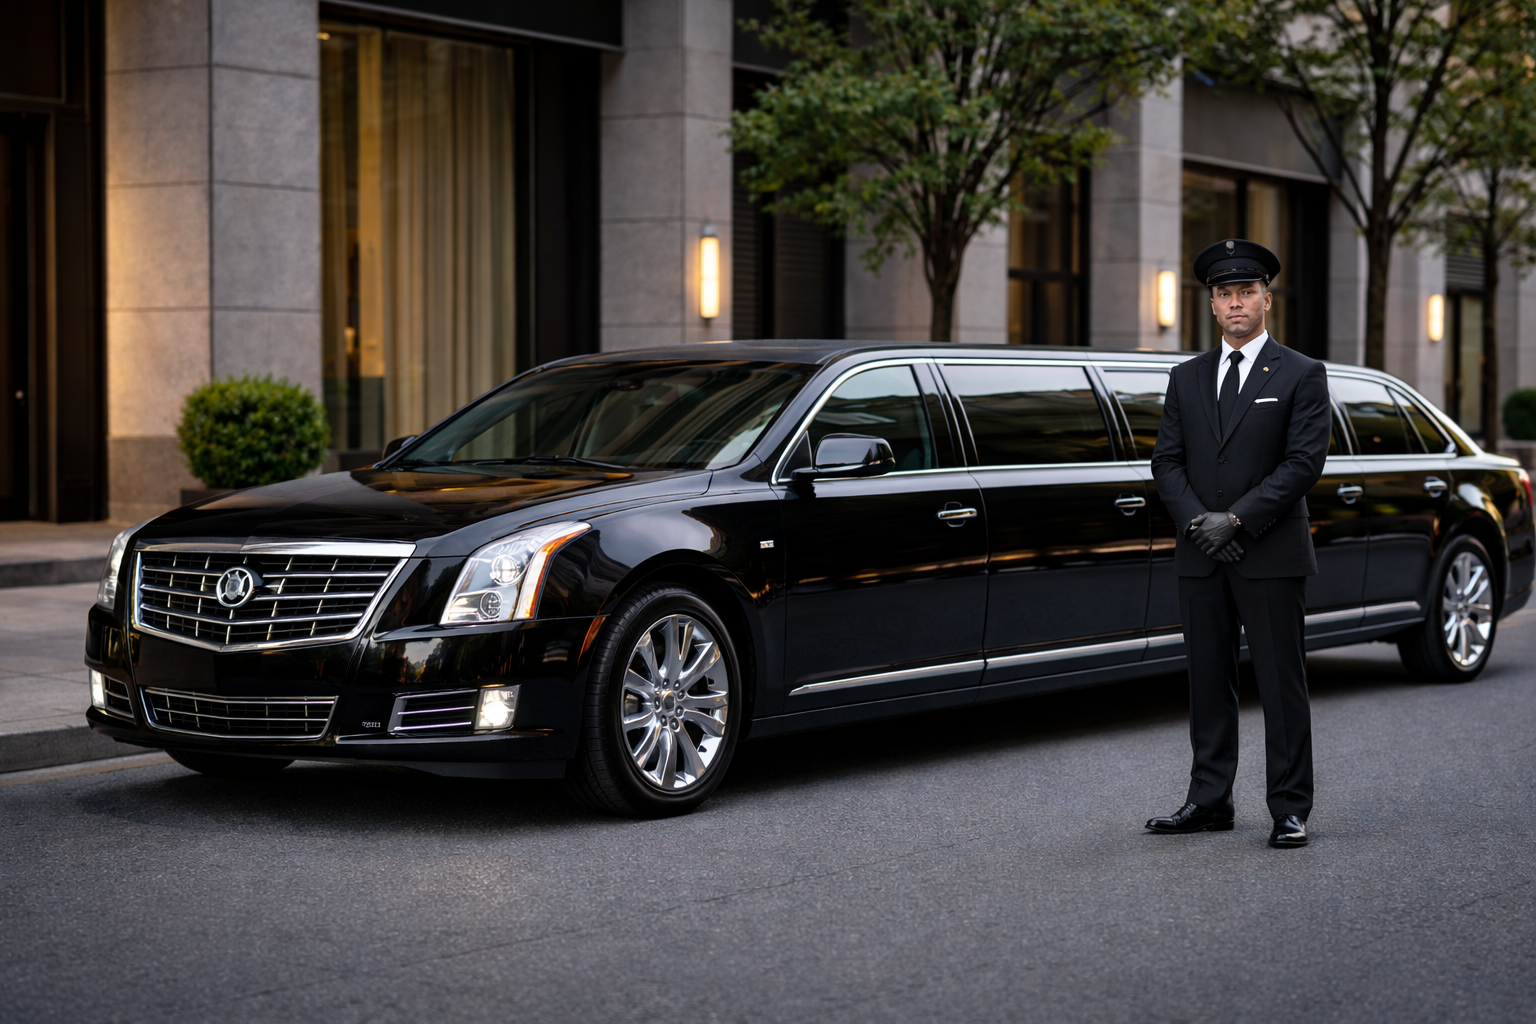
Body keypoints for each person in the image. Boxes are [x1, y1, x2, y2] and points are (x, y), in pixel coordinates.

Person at [1145, 238, 1332, 849]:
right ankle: (1209, 799)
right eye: (1224, 294)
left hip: (1271, 555)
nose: (1234, 303)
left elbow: (1304, 463)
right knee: (1207, 682)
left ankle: (1289, 806)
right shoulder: (1186, 377)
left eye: (1246, 292)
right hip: (1202, 554)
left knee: (1281, 685)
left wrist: (1239, 521)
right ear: (1212, 304)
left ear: (1266, 300)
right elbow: (1167, 463)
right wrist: (1204, 522)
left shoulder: (1302, 373)